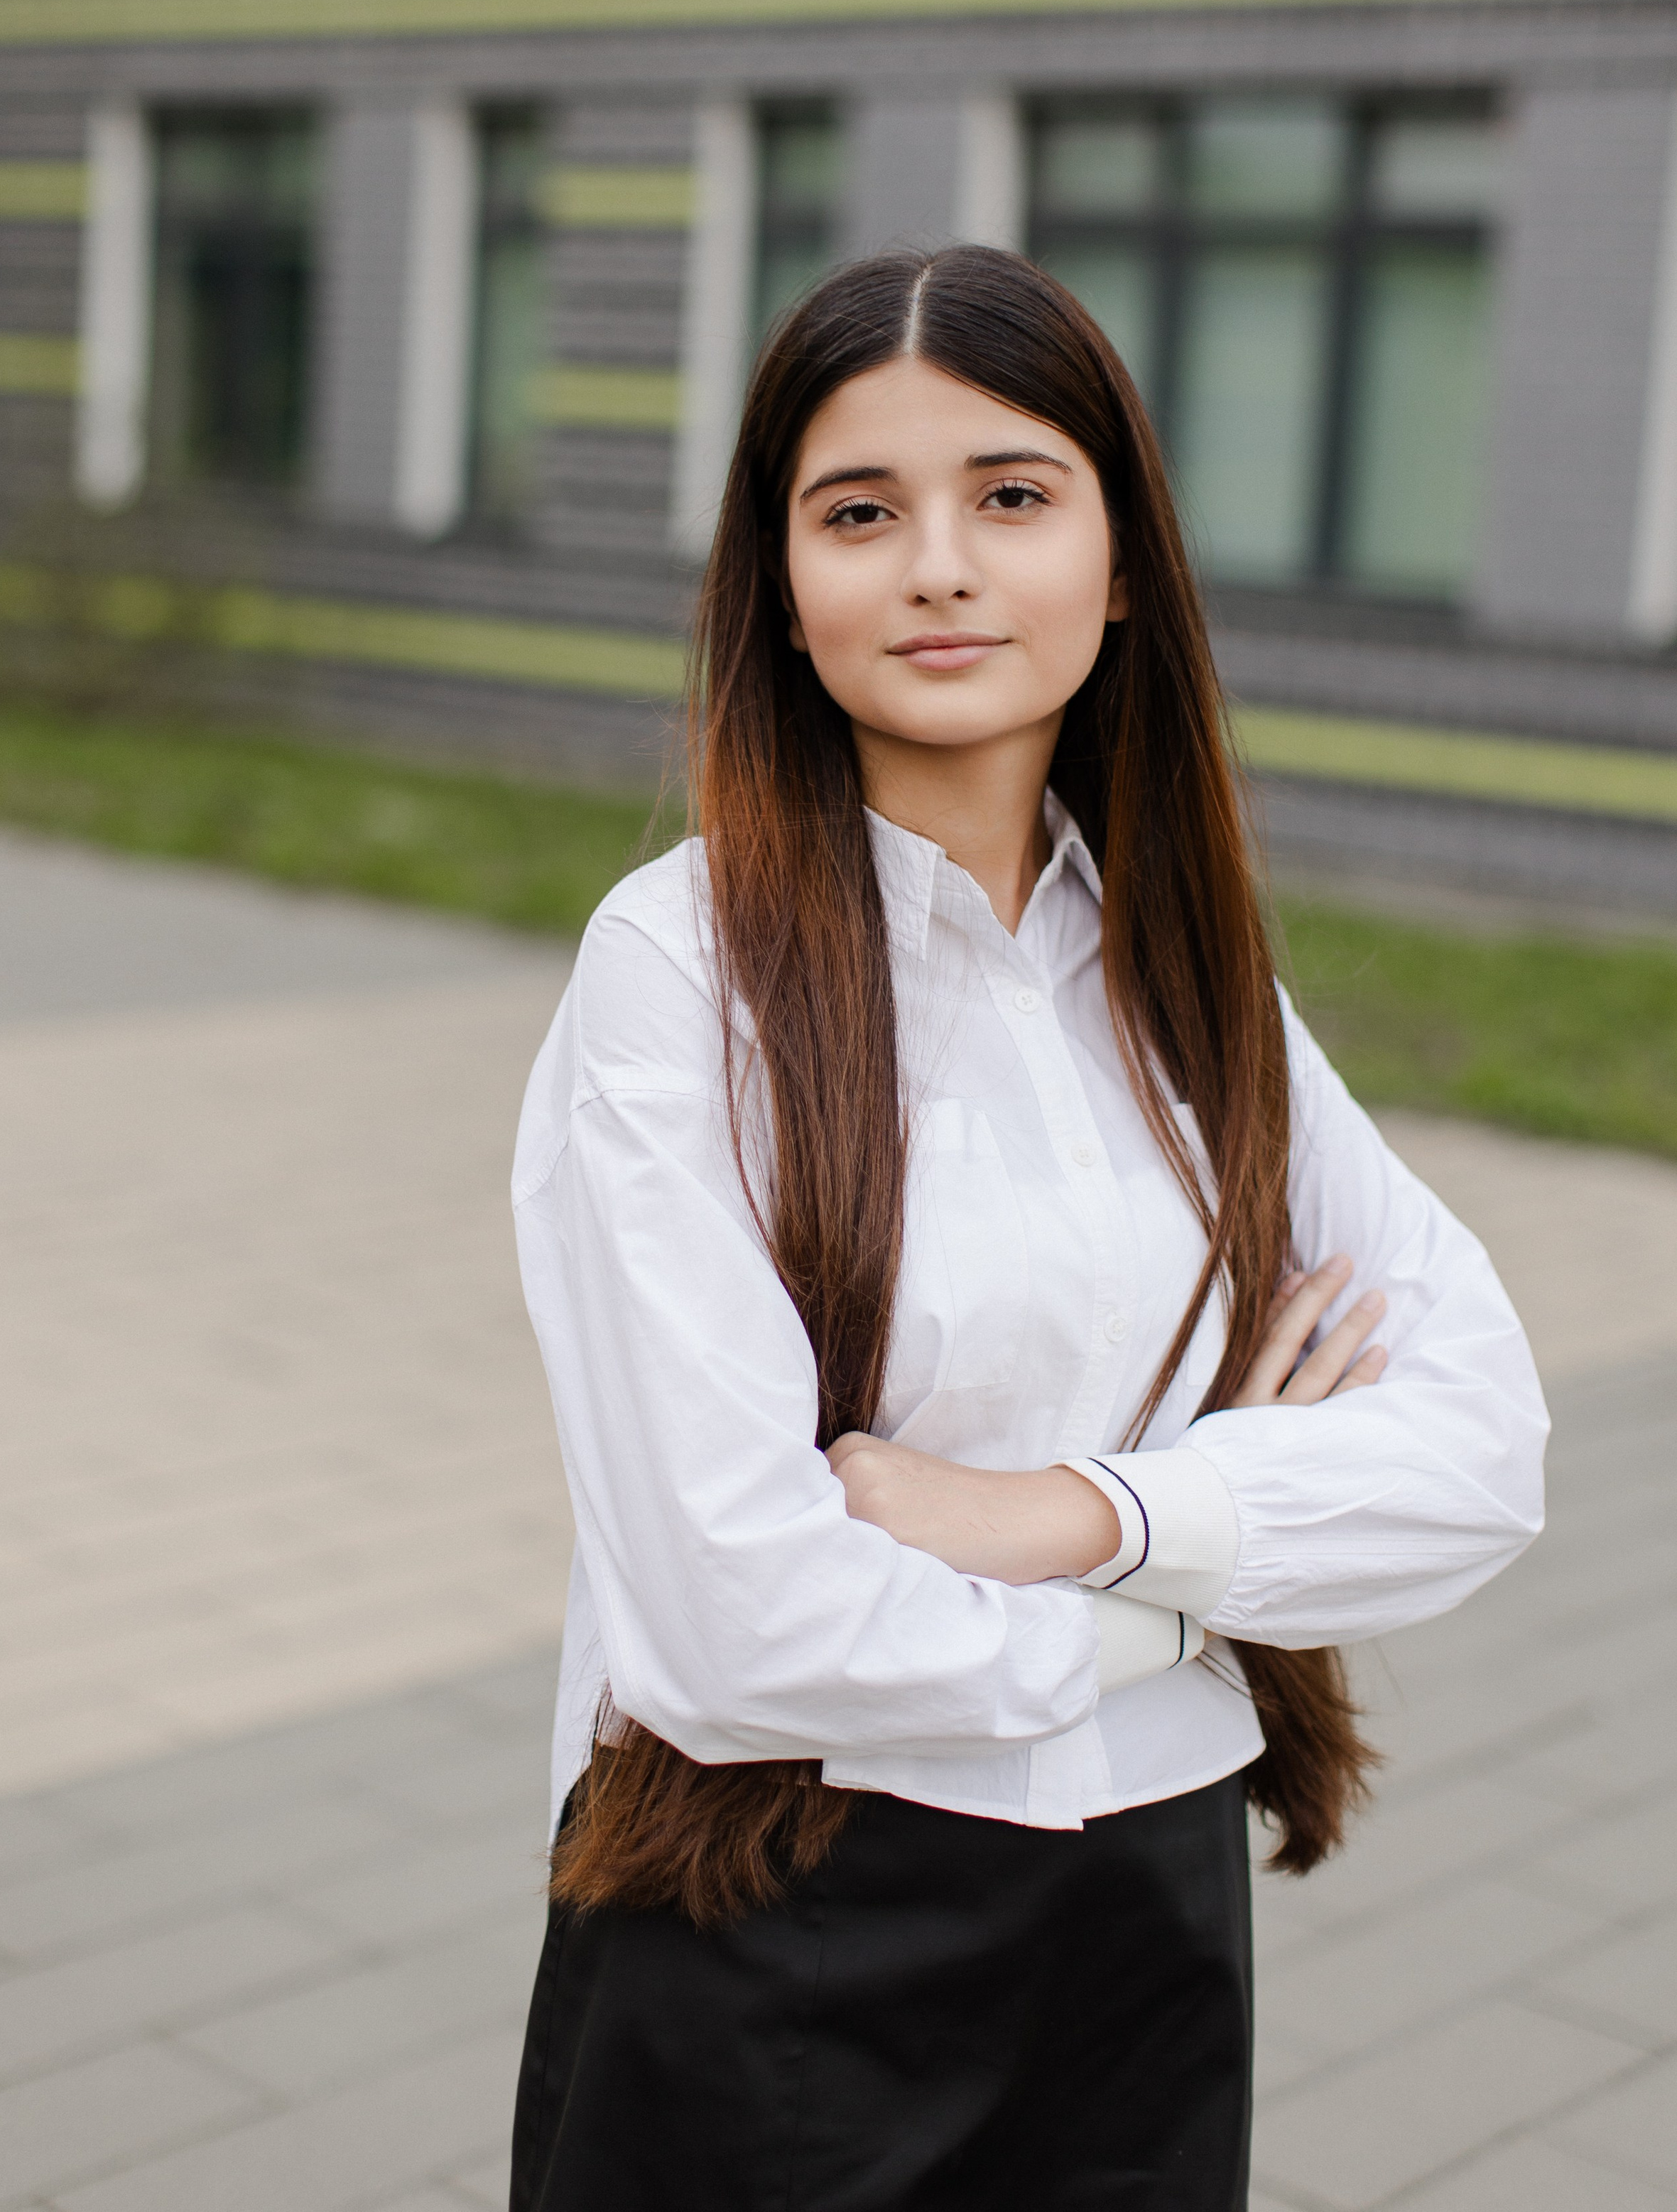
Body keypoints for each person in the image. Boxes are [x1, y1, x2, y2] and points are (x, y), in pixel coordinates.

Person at [508, 246, 1547, 2212]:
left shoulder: (1187, 984)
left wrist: (1063, 1516)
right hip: (776, 1912)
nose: (939, 568)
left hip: (1149, 1917)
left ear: (1123, 560)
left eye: (1010, 495)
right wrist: (1213, 1568)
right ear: (782, 588)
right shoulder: (680, 972)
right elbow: (740, 1625)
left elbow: (1485, 1449)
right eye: (858, 512)